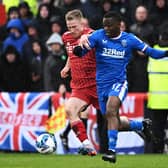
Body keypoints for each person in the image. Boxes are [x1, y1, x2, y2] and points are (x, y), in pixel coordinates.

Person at [73, 11, 168, 163]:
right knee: (113, 120)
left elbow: (151, 52)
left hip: (119, 83)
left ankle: (111, 151)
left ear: (119, 25)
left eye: (109, 26)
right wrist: (79, 50)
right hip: (101, 86)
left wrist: (166, 53)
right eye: (104, 25)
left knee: (111, 110)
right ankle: (141, 125)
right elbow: (83, 50)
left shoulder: (129, 39)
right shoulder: (98, 35)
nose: (106, 28)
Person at [60, 9, 99, 156]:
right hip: (79, 87)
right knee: (70, 110)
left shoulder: (92, 35)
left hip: (96, 85)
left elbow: (101, 36)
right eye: (69, 27)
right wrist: (67, 66)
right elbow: (71, 53)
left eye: (74, 27)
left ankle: (137, 125)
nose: (72, 30)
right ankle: (87, 145)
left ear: (81, 23)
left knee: (114, 119)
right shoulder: (66, 37)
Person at [147, 22, 168, 153]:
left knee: (157, 129)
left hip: (156, 100)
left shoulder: (152, 51)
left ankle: (157, 151)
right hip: (162, 99)